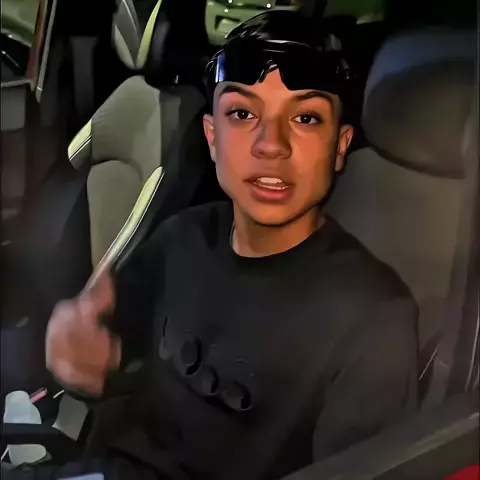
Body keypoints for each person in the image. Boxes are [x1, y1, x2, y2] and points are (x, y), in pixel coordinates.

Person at [4, 10, 419, 480]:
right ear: (212, 137)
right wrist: (80, 348)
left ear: (340, 146)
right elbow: (113, 353)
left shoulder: (373, 319)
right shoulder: (184, 237)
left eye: (305, 117)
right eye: (242, 114)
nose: (271, 144)